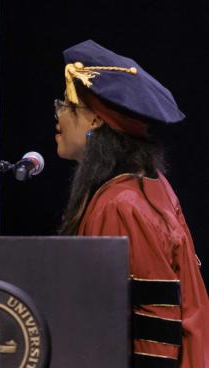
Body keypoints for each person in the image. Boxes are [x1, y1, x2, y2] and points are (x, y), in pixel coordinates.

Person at [54, 40, 209, 367]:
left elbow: (152, 325)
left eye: (66, 105)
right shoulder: (145, 187)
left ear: (95, 120)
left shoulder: (122, 204)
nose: (58, 115)